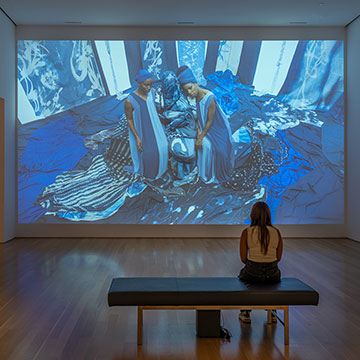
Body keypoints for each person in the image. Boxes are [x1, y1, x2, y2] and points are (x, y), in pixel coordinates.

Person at [177, 66, 234, 184]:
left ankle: (215, 174)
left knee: (220, 150)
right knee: (204, 146)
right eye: (186, 90)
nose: (189, 92)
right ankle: (205, 172)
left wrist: (201, 136)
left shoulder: (209, 98)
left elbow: (209, 121)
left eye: (190, 88)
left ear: (196, 83)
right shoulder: (195, 98)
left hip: (216, 127)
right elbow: (198, 117)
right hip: (204, 126)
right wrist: (198, 132)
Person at [238, 201, 283, 323]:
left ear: (253, 215)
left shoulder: (247, 232)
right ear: (269, 215)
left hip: (252, 271)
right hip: (273, 273)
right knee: (272, 282)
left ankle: (245, 312)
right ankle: (272, 311)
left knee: (242, 278)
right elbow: (278, 257)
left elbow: (243, 259)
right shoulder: (276, 232)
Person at [125, 69, 168, 179]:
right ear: (139, 84)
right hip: (142, 129)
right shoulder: (130, 101)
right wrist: (137, 137)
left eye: (150, 85)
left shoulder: (152, 93)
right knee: (148, 153)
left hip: (155, 126)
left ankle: (161, 169)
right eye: (146, 85)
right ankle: (149, 173)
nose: (148, 88)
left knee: (163, 147)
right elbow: (129, 119)